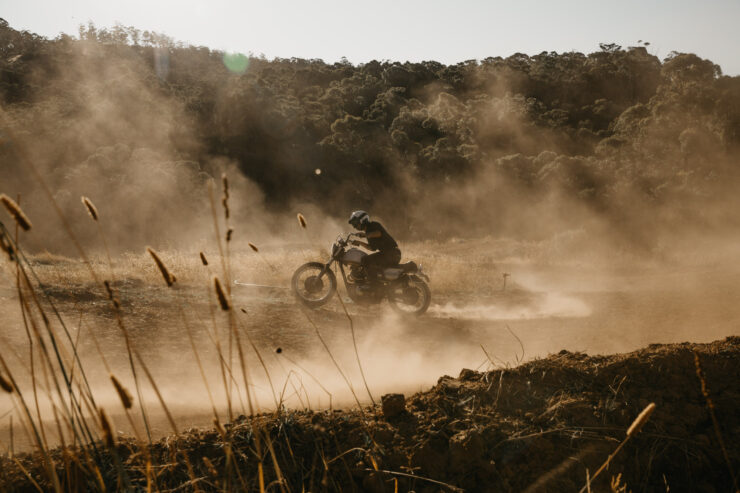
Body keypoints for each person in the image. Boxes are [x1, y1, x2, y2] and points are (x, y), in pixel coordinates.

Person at [348, 210, 401, 283]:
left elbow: (379, 233)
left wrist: (365, 235)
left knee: (366, 260)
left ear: (362, 220)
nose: (355, 226)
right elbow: (372, 248)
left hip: (392, 254)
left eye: (356, 223)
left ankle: (374, 285)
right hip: (388, 254)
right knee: (365, 259)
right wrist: (359, 242)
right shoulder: (368, 231)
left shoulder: (373, 225)